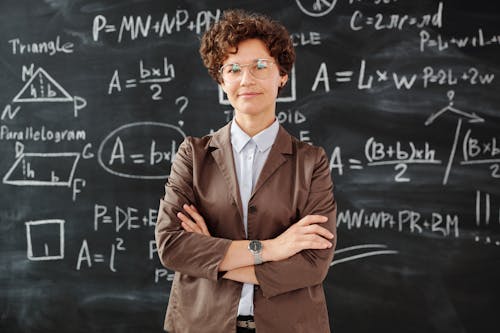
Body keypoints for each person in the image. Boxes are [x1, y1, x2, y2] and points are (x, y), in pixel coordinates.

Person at [155, 9, 337, 333]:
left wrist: (213, 257)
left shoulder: (312, 162)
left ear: (281, 75)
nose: (246, 79)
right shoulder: (193, 156)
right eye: (234, 68)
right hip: (201, 325)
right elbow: (172, 245)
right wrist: (272, 249)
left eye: (260, 66)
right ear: (221, 79)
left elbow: (312, 265)